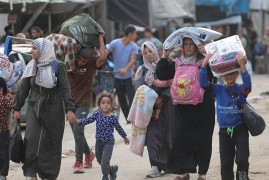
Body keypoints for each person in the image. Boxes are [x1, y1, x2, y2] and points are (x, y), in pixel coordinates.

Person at [12, 38, 76, 180]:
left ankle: (48, 175)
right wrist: (16, 108)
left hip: (53, 110)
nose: (31, 51)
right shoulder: (31, 66)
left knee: (50, 143)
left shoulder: (57, 66)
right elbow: (23, 89)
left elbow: (65, 89)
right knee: (31, 140)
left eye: (35, 48)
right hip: (34, 108)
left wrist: (70, 109)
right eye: (32, 48)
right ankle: (31, 172)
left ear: (43, 50)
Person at [156, 38, 216, 180]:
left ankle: (202, 173)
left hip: (203, 107)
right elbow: (162, 74)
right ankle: (183, 172)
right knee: (181, 139)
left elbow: (215, 73)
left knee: (203, 139)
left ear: (197, 46)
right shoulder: (177, 62)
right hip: (181, 108)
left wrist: (207, 53)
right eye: (186, 44)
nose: (188, 47)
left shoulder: (206, 60)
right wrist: (165, 56)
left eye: (192, 45)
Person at [199, 54, 251, 180]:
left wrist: (243, 66)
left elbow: (248, 85)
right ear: (222, 75)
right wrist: (204, 65)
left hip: (240, 129)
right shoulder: (218, 89)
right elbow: (203, 83)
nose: (229, 76)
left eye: (232, 73)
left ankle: (242, 173)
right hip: (224, 132)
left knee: (242, 157)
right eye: (226, 74)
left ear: (236, 74)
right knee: (226, 163)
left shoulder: (241, 89)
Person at [67, 31, 106, 173]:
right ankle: (89, 154)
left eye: (84, 61)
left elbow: (103, 56)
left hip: (84, 101)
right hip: (70, 103)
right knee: (77, 132)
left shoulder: (91, 66)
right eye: (80, 59)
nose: (81, 62)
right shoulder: (69, 63)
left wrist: (101, 39)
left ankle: (78, 162)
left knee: (78, 128)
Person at [68, 91, 129, 180]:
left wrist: (125, 137)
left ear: (111, 105)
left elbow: (119, 128)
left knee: (104, 162)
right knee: (99, 160)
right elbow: (87, 120)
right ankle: (112, 170)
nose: (105, 105)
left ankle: (105, 177)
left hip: (108, 143)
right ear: (99, 104)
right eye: (103, 103)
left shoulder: (113, 117)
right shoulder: (97, 114)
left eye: (108, 103)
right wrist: (77, 121)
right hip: (99, 142)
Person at [134, 41, 173, 177]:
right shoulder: (142, 70)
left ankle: (168, 164)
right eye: (145, 53)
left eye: (150, 51)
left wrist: (162, 98)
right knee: (151, 136)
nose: (149, 54)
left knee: (166, 136)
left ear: (155, 51)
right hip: (149, 110)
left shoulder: (164, 65)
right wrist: (151, 99)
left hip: (166, 106)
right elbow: (139, 90)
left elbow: (172, 83)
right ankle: (155, 166)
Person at [106, 26, 138, 123]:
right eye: (135, 33)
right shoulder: (115, 43)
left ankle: (135, 118)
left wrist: (125, 69)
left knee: (132, 98)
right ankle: (129, 119)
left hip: (128, 77)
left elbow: (133, 60)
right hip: (117, 77)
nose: (136, 36)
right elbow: (104, 54)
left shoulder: (133, 46)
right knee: (121, 99)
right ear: (130, 34)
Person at [0, 77, 12, 180]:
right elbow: (13, 109)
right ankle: (2, 175)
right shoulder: (4, 100)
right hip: (3, 131)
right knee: (3, 154)